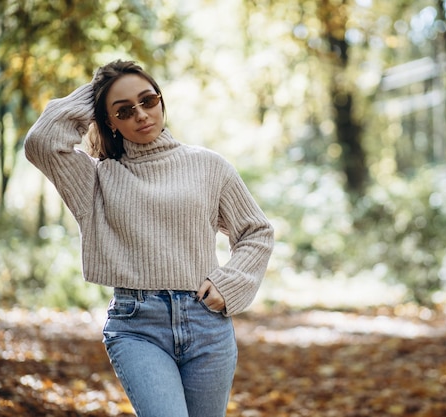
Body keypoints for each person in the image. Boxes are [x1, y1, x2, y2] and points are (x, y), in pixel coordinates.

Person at [24, 59, 274, 417]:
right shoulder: (95, 180)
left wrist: (230, 283)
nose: (141, 114)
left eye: (148, 100)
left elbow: (256, 231)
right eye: (124, 111)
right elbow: (42, 141)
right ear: (108, 121)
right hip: (137, 326)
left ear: (161, 99)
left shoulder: (209, 165)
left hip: (207, 325)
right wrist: (97, 90)